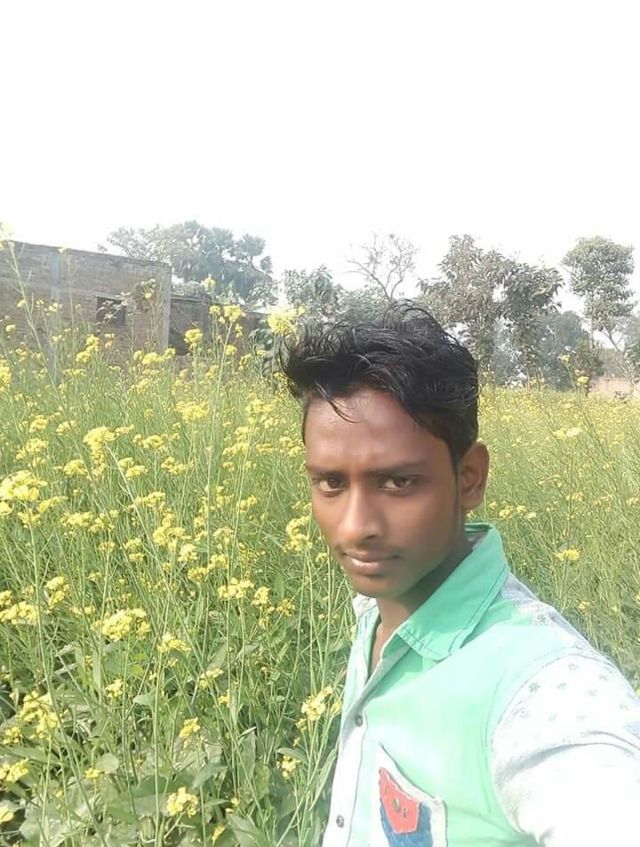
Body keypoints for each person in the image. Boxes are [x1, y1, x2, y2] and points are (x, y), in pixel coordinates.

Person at [278, 302, 640, 846]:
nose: (354, 528)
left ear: (469, 477)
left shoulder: (542, 691)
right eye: (331, 483)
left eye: (398, 483)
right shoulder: (379, 612)